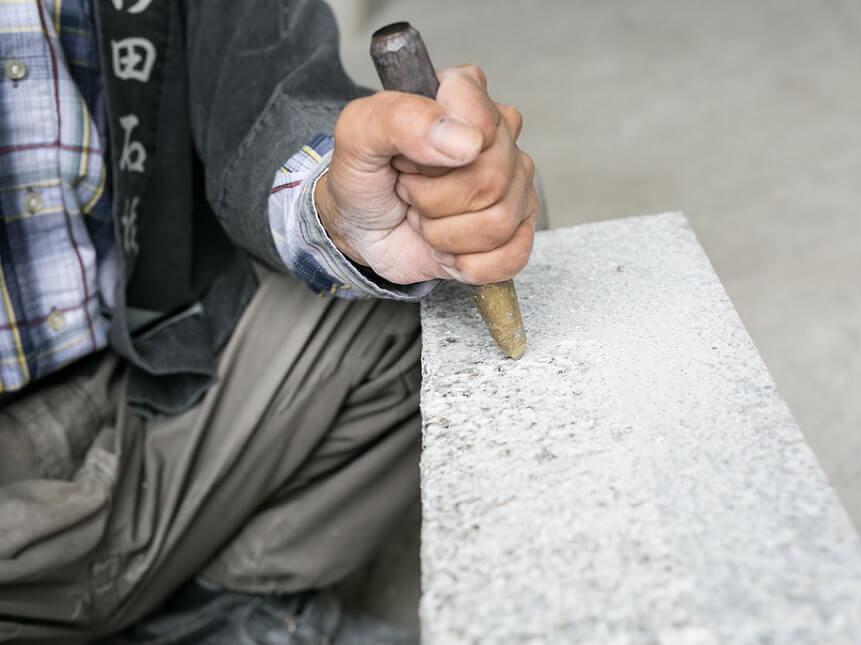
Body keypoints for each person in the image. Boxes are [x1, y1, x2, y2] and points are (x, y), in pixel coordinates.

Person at [0, 0, 538, 643]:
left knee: (441, 271)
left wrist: (343, 212)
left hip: (145, 365)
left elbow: (265, 93)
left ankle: (221, 606)